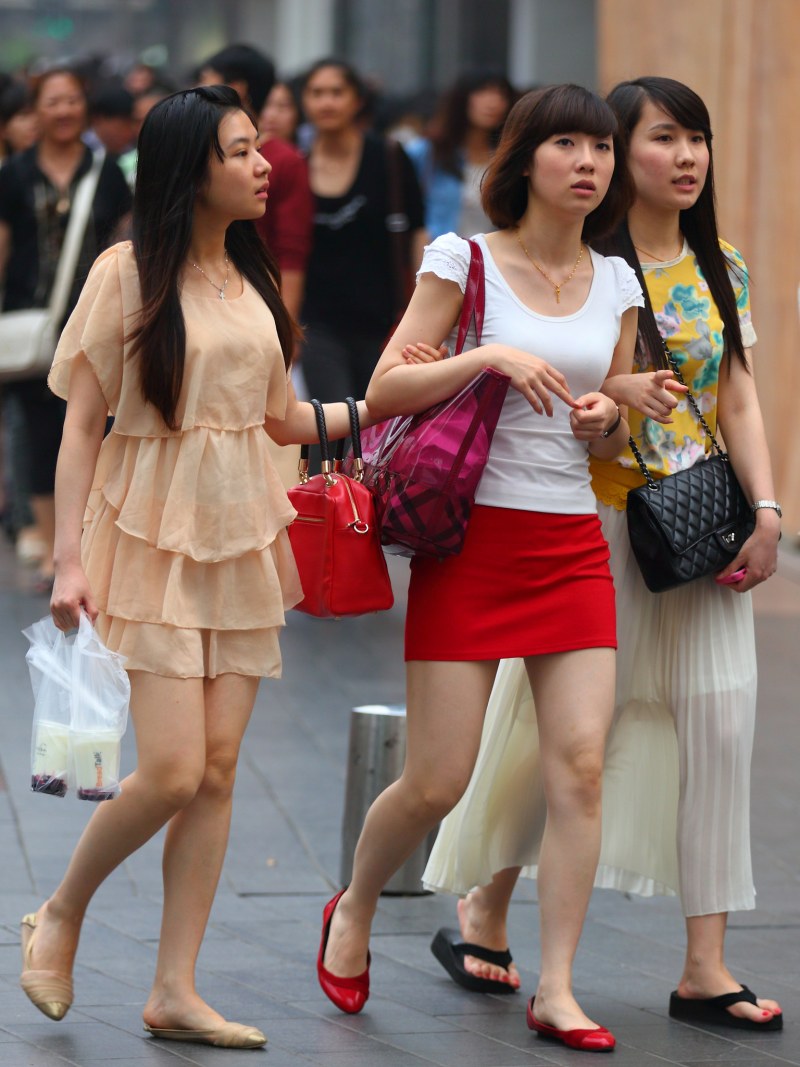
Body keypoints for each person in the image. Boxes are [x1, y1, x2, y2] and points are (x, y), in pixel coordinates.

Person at [424, 75, 783, 1034]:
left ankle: (704, 964)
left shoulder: (723, 268)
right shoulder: (598, 267)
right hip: (600, 526)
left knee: (720, 729)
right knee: (564, 741)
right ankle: (486, 908)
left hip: (701, 528)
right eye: (664, 138)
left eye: (698, 139)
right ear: (621, 153)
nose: (689, 157)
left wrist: (769, 507)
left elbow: (739, 397)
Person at [18, 85, 368, 1050]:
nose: (265, 166)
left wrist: (379, 409)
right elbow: (79, 427)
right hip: (148, 529)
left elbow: (281, 422)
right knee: (172, 768)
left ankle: (175, 986)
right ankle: (60, 911)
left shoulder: (252, 285)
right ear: (192, 167)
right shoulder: (126, 273)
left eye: (262, 149)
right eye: (243, 150)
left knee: (216, 772)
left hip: (240, 533)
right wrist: (69, 559)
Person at [316, 84, 643, 1053]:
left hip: (568, 544)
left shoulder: (614, 282)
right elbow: (383, 388)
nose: (587, 162)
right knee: (435, 779)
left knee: (579, 766)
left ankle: (555, 985)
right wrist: (487, 354)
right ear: (523, 159)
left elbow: (609, 421)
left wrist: (606, 416)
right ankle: (355, 901)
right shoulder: (461, 261)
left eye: (599, 148)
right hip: (469, 544)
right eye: (566, 144)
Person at [0, 66, 131, 593]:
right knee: (36, 428)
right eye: (52, 102)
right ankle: (52, 545)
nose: (63, 111)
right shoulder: (13, 175)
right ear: (37, 109)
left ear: (85, 109)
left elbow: (126, 236)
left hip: (97, 318)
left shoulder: (108, 172)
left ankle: (86, 542)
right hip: (30, 318)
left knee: (91, 426)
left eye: (72, 100)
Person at [299, 57, 427, 406]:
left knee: (378, 427)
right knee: (331, 424)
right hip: (316, 323)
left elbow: (417, 230)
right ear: (305, 102)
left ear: (357, 100)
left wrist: (420, 305)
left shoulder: (388, 156)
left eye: (337, 92)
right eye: (316, 93)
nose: (327, 102)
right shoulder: (297, 164)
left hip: (383, 321)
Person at [405, 70, 516, 239]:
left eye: (501, 94)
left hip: (492, 259)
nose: (493, 102)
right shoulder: (427, 152)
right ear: (462, 98)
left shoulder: (509, 156)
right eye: (482, 92)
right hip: (439, 256)